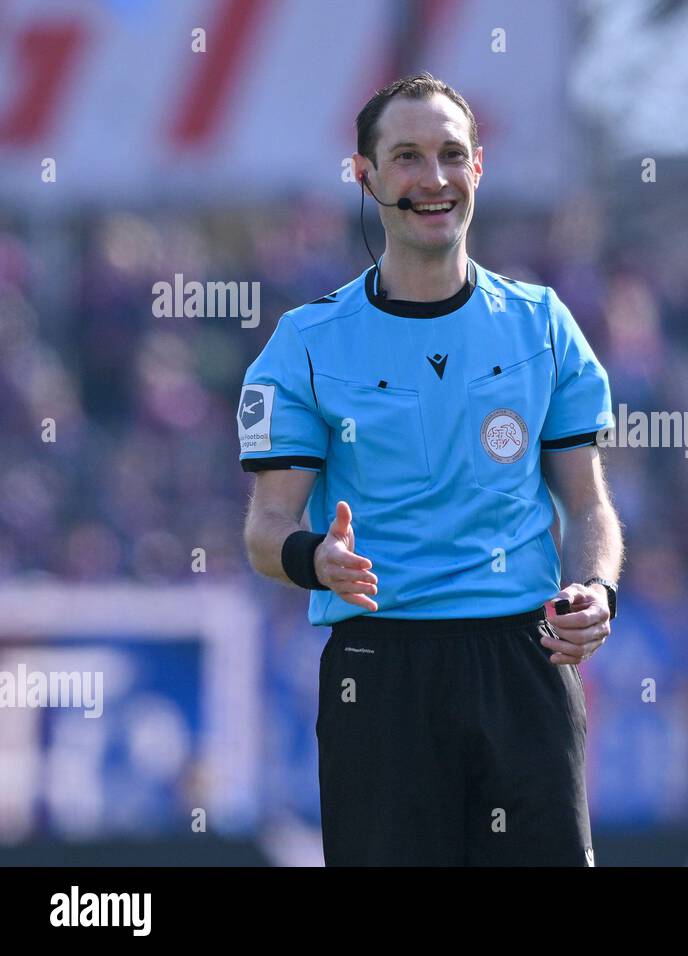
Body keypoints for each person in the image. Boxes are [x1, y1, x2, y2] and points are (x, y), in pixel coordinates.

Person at [238, 74, 623, 866]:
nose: (433, 178)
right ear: (366, 175)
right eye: (407, 157)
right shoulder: (308, 343)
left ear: (479, 167)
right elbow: (263, 531)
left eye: (451, 154)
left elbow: (586, 506)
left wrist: (596, 587)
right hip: (380, 671)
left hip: (526, 659)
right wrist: (319, 561)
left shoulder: (543, 324)